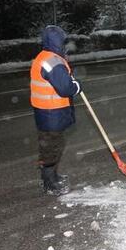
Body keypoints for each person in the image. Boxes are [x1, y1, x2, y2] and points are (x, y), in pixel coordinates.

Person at [30, 25, 82, 196]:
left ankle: (53, 176)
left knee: (52, 145)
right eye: (62, 40)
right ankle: (49, 182)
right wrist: (76, 86)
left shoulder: (44, 57)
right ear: (57, 41)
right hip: (52, 112)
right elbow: (65, 88)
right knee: (52, 147)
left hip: (46, 113)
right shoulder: (53, 61)